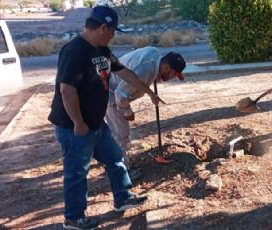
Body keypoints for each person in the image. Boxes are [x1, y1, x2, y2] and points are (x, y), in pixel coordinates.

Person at [48, 6, 164, 229]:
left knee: (115, 158)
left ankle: (123, 198)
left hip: (96, 124)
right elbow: (66, 90)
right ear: (103, 27)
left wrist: (149, 92)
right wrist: (79, 124)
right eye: (113, 31)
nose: (114, 35)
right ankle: (73, 218)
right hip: (74, 126)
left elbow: (124, 72)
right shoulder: (75, 51)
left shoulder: (101, 49)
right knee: (77, 173)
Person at [106, 46, 186, 178]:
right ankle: (122, 172)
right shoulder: (143, 71)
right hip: (110, 94)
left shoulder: (154, 54)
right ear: (166, 67)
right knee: (121, 134)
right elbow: (120, 95)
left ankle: (110, 157)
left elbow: (142, 76)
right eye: (174, 75)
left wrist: (151, 93)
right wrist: (127, 111)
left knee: (114, 132)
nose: (173, 78)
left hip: (113, 88)